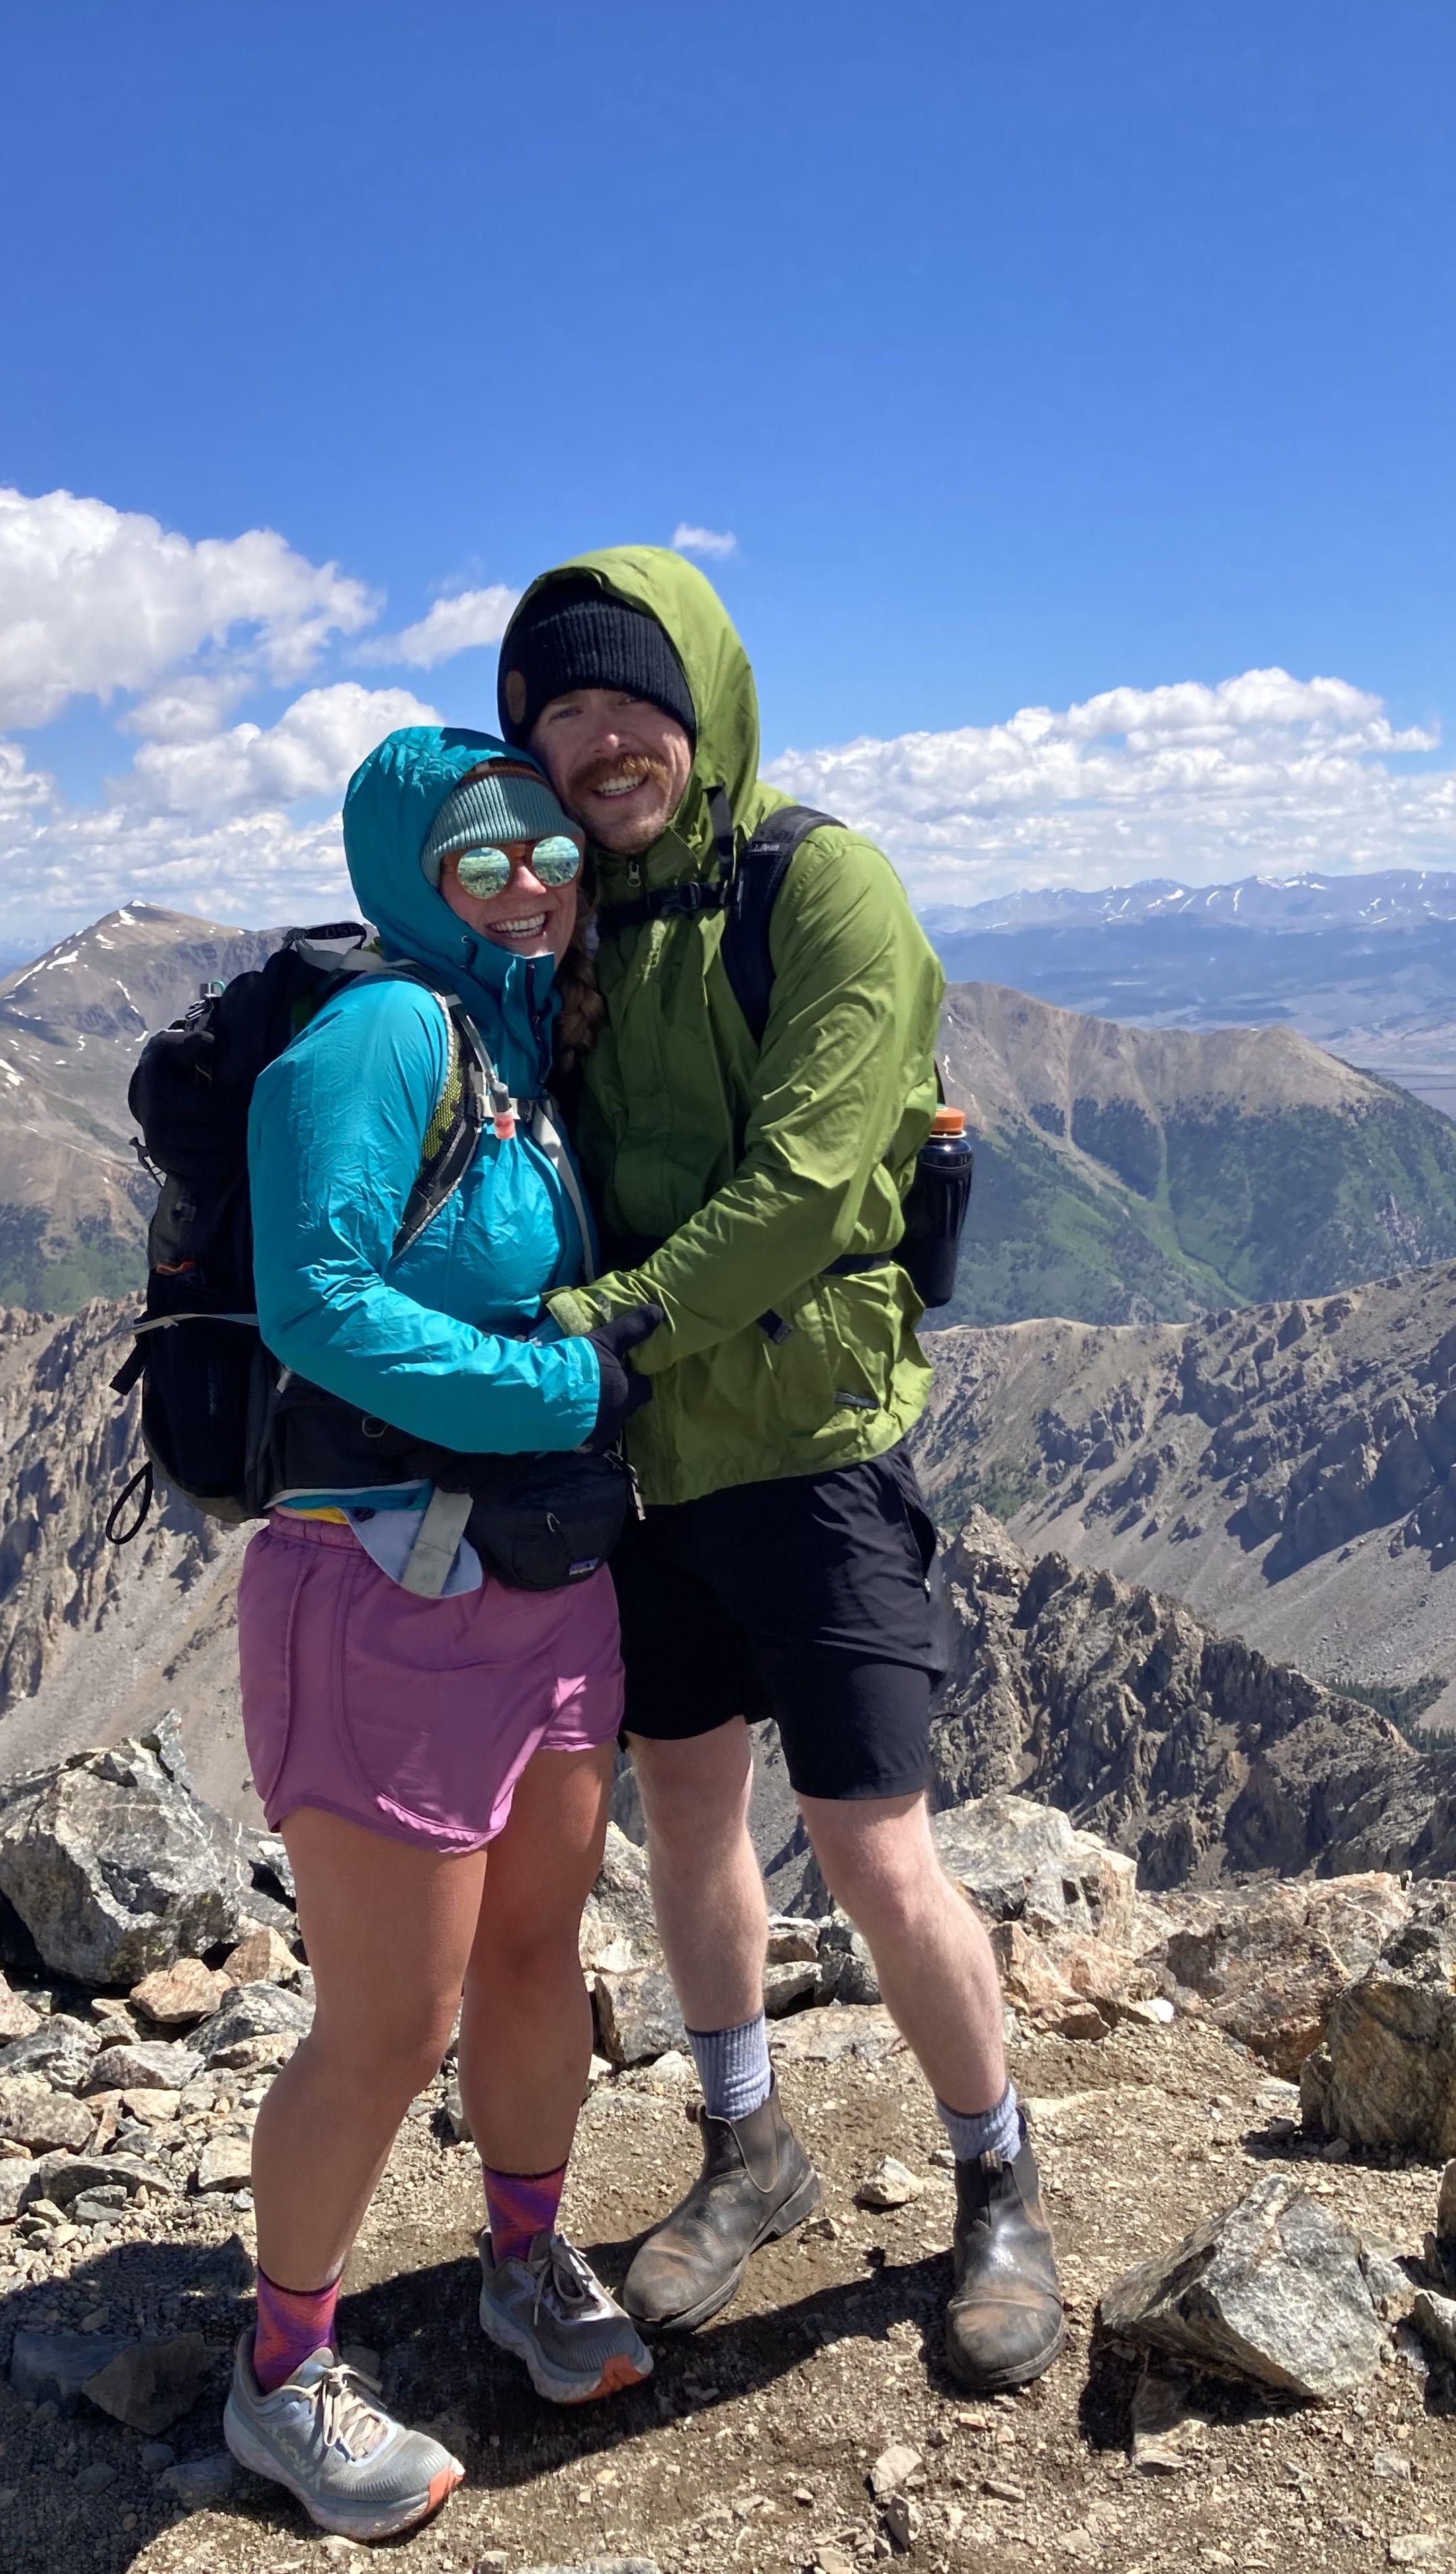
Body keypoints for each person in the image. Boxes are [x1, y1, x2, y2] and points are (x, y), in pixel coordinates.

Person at [497, 552, 1066, 2395]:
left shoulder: (823, 891)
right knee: (685, 1823)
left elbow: (810, 1184)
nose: (599, 741)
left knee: (871, 1844)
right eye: (560, 713)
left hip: (805, 1455)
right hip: (651, 1466)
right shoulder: (566, 924)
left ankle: (998, 2181)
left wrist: (603, 1328)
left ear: (705, 708)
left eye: (629, 703)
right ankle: (752, 2148)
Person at [220, 725, 658, 2542]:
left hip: (542, 1595)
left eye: (550, 847)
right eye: (488, 855)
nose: (533, 879)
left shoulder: (511, 1036)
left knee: (539, 1959)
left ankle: (527, 2258)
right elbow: (312, 1303)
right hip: (385, 1596)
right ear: (414, 871)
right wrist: (553, 1385)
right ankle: (281, 2377)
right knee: (387, 2025)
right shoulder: (389, 1032)